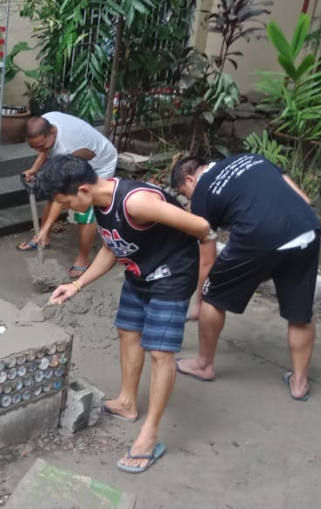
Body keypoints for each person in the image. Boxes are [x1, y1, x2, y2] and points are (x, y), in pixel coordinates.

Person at [38, 155, 214, 474]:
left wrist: (204, 276)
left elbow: (201, 227)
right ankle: (127, 402)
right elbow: (113, 247)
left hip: (170, 276)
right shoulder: (102, 205)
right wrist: (76, 285)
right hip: (138, 272)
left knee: (161, 352)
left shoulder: (136, 203)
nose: (66, 208)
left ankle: (149, 435)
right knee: (128, 331)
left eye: (65, 202)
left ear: (83, 190)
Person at [170, 153, 320, 401]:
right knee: (300, 312)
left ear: (190, 179)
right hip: (306, 230)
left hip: (258, 236)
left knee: (213, 298)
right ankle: (299, 383)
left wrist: (200, 302)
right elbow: (303, 198)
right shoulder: (254, 159)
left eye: (185, 193)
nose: (189, 200)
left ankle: (203, 364)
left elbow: (207, 260)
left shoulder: (203, 194)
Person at [19, 112, 119, 278]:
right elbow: (45, 148)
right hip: (73, 161)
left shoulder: (67, 147)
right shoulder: (46, 121)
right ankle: (43, 238)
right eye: (33, 147)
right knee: (53, 191)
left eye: (40, 146)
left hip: (100, 163)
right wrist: (34, 169)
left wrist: (45, 228)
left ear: (52, 133)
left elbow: (62, 194)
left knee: (85, 211)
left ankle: (83, 258)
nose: (38, 150)